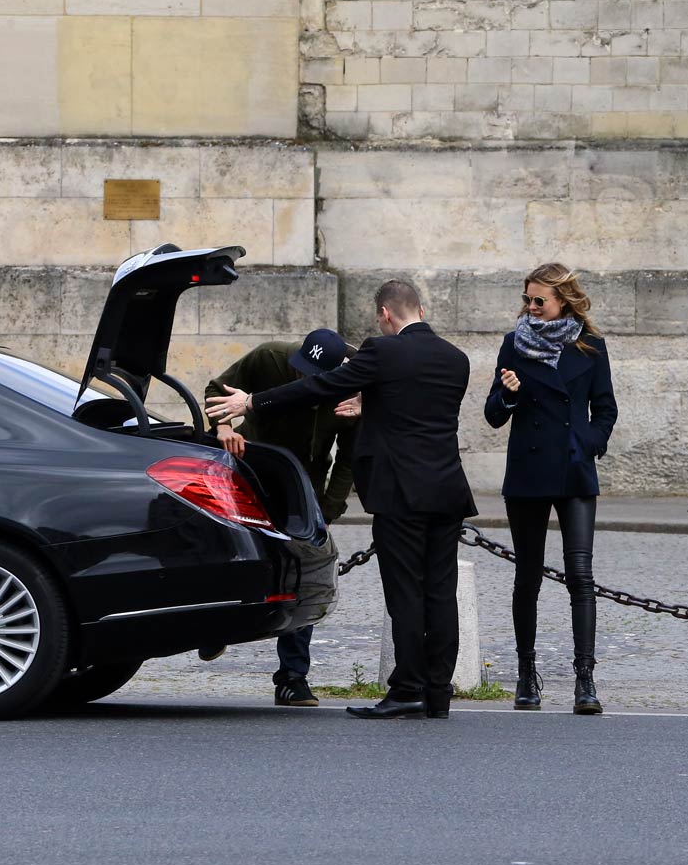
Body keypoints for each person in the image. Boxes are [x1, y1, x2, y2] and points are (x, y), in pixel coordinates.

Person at [206, 280, 477, 720]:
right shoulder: (456, 359)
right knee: (441, 594)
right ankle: (438, 695)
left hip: (399, 493)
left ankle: (407, 688)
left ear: (385, 315)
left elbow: (320, 387)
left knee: (406, 593)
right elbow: (417, 413)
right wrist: (370, 408)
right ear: (422, 309)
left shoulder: (381, 351)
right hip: (447, 490)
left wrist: (254, 401)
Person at [483, 263, 618, 715]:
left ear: (563, 299)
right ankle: (526, 675)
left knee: (581, 575)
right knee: (528, 577)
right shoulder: (513, 344)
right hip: (529, 470)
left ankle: (585, 679)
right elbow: (493, 414)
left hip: (575, 472)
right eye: (528, 300)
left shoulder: (591, 346)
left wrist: (585, 443)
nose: (532, 308)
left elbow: (605, 410)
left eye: (540, 300)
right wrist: (510, 394)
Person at [200, 328, 359, 706]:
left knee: (302, 577)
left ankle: (292, 678)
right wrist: (223, 427)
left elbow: (349, 457)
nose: (304, 380)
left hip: (304, 487)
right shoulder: (270, 356)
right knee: (232, 555)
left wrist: (329, 508)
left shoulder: (352, 388)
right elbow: (215, 389)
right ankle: (211, 625)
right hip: (251, 470)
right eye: (301, 371)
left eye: (314, 377)